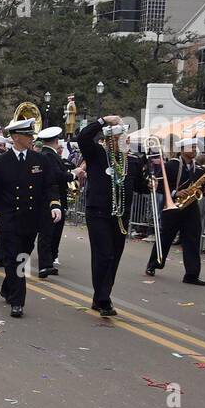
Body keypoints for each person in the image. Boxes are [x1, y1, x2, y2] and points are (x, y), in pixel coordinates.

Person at [0, 118, 63, 318]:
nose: (32, 139)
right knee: (15, 258)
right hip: (10, 218)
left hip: (31, 218)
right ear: (16, 137)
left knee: (23, 256)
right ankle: (18, 301)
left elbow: (50, 186)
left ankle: (8, 287)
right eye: (28, 135)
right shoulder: (1, 162)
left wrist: (54, 205)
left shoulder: (40, 160)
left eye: (32, 135)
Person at [73, 114, 145, 317]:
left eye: (124, 139)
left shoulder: (132, 161)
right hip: (98, 213)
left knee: (114, 257)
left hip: (121, 216)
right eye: (116, 139)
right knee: (104, 255)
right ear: (107, 140)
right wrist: (104, 121)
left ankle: (101, 296)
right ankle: (104, 299)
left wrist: (152, 183)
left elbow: (140, 186)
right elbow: (83, 137)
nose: (121, 142)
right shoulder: (96, 154)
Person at [145, 138, 205, 285]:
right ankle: (153, 264)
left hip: (191, 208)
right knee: (165, 237)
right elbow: (159, 186)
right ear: (182, 150)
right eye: (191, 147)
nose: (194, 149)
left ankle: (192, 275)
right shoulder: (171, 165)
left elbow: (203, 188)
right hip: (173, 206)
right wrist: (175, 193)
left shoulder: (199, 168)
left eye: (195, 147)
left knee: (193, 240)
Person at [34, 126, 72, 278]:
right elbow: (57, 176)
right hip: (50, 199)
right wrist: (73, 175)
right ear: (57, 141)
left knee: (53, 231)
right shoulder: (49, 156)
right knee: (47, 232)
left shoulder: (48, 155)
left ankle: (49, 259)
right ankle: (45, 263)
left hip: (54, 198)